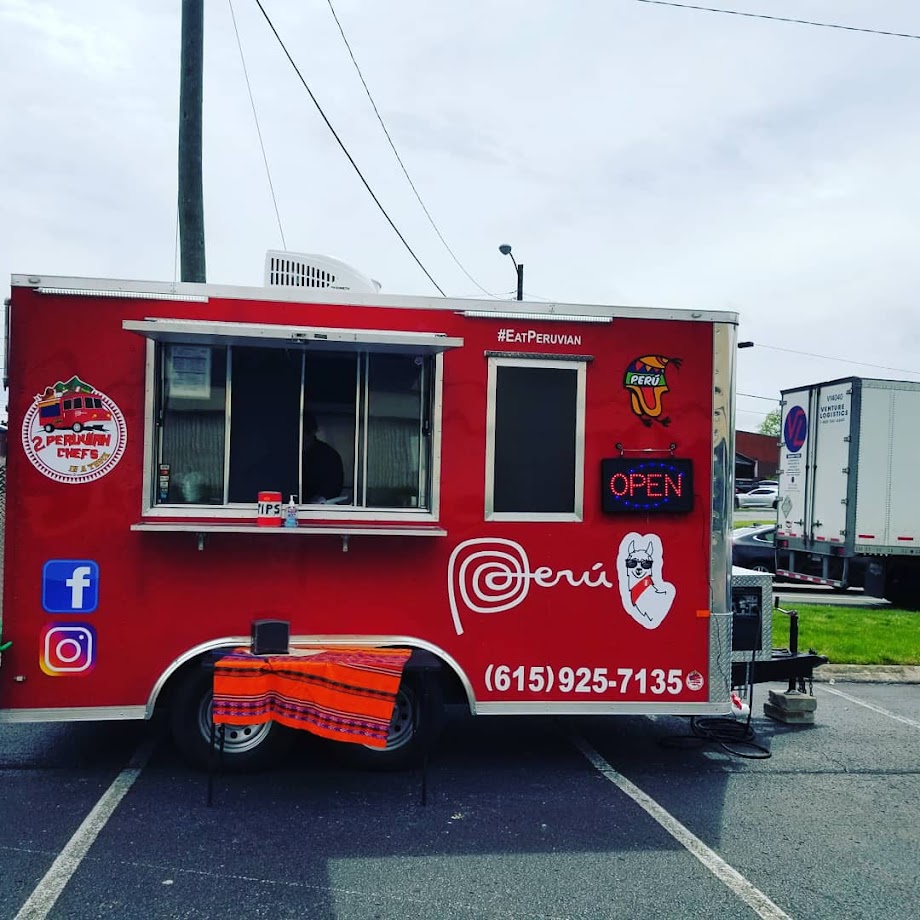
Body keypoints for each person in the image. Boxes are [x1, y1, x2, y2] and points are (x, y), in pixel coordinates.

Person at [302, 412, 344, 502]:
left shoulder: (329, 456)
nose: (302, 439)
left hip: (320, 509)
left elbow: (334, 485)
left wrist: (321, 498)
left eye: (305, 433)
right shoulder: (286, 454)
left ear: (313, 432)